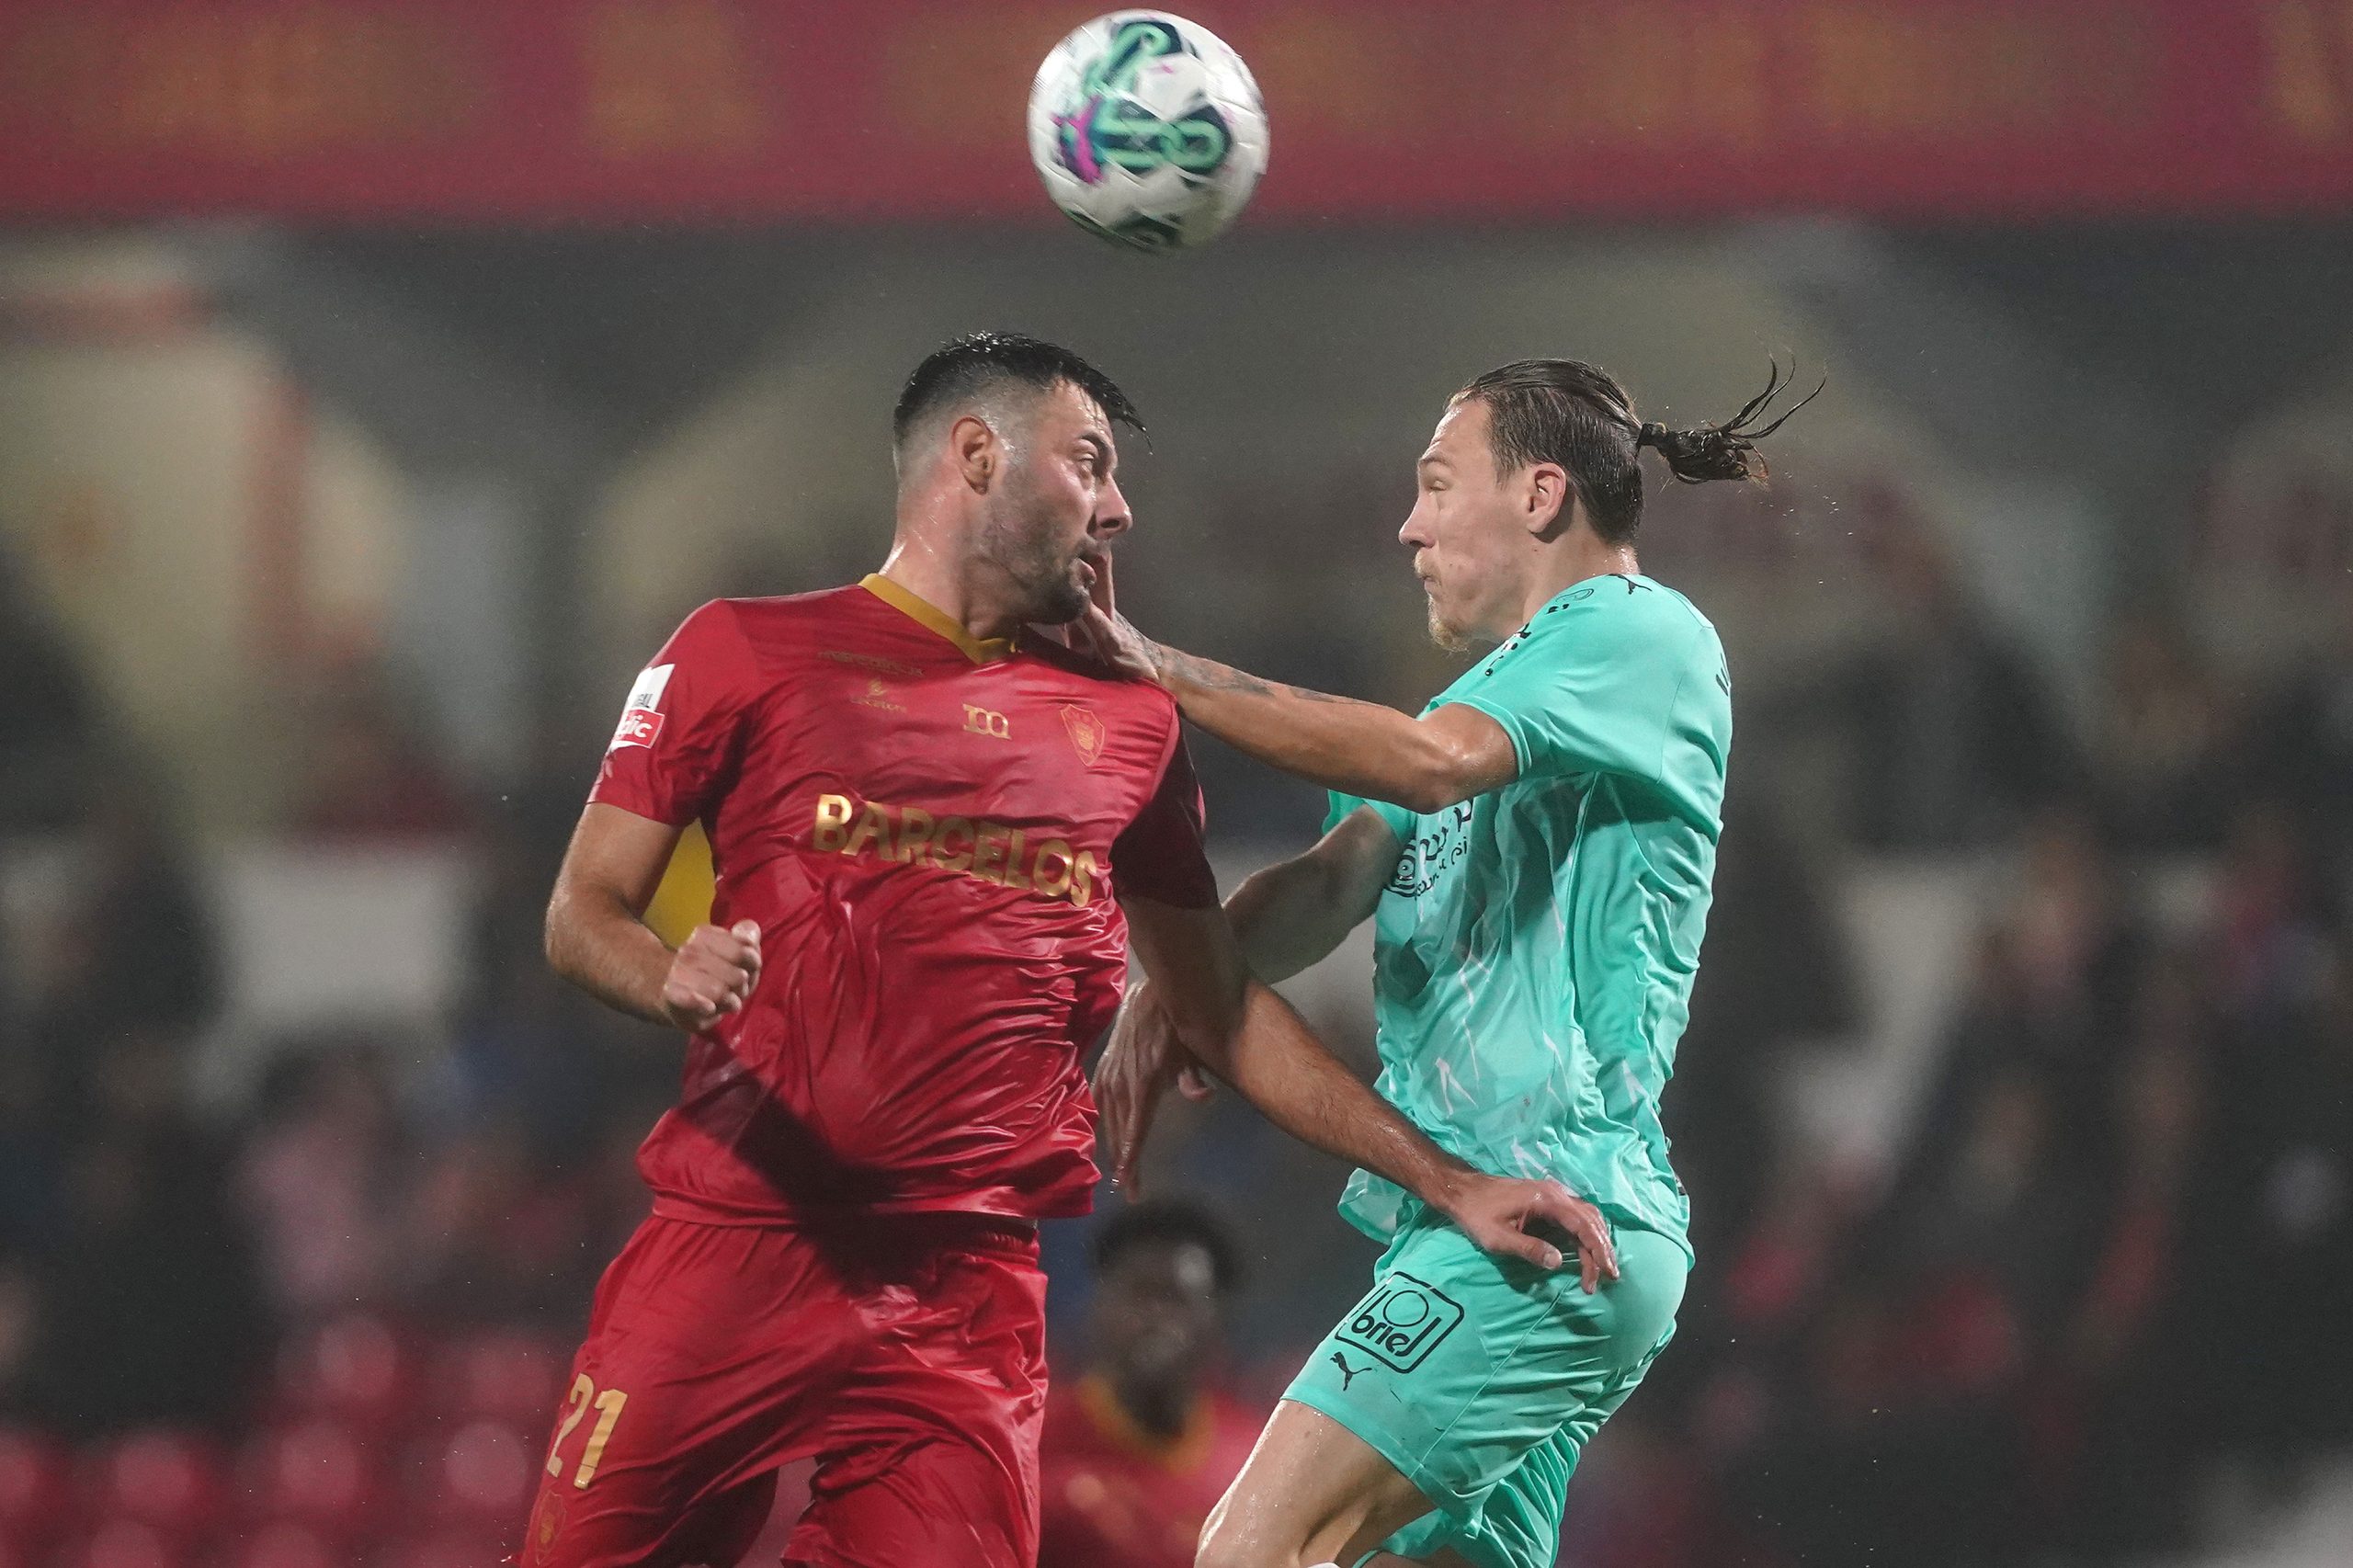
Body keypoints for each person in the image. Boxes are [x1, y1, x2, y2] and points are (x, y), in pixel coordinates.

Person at [520, 333, 1612, 1568]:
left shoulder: (1130, 722)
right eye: (1090, 465)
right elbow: (580, 913)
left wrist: (1445, 1179)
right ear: (976, 455)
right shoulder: (743, 650)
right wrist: (663, 972)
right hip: (736, 1245)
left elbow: (1221, 1008)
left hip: (963, 1293)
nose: (1120, 506)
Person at [1088, 358, 1813, 1568]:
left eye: (1434, 485)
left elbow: (1423, 768)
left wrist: (1153, 665)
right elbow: (1330, 882)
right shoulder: (1487, 696)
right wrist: (1170, 985)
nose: (1407, 524)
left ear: (1539, 496)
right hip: (1507, 1232)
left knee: (1250, 1551)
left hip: (1546, 1210)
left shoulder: (1639, 633)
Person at [1039, 1199, 1264, 1568]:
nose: (1156, 1319)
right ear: (1099, 1307)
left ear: (1218, 1322)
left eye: (1177, 1300)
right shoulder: (1037, 1446)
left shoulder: (1255, 1461)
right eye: (1139, 1295)